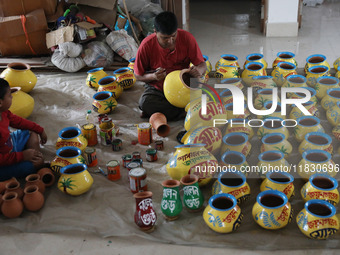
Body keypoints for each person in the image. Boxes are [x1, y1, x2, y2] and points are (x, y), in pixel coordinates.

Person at [134, 11, 206, 121]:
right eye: (165, 38)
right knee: (145, 102)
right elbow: (138, 75)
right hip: (159, 88)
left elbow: (202, 65)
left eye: (173, 36)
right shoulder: (146, 45)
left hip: (183, 87)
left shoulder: (187, 38)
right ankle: (185, 112)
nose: (170, 41)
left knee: (207, 96)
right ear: (155, 32)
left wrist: (199, 71)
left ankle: (162, 112)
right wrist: (154, 76)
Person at [0, 78, 47, 181]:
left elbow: (19, 122)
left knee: (31, 132)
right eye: (9, 95)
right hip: (2, 164)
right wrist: (22, 156)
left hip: (9, 146)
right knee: (33, 165)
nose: (12, 96)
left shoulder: (3, 112)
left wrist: (40, 130)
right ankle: (37, 165)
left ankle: (36, 159)